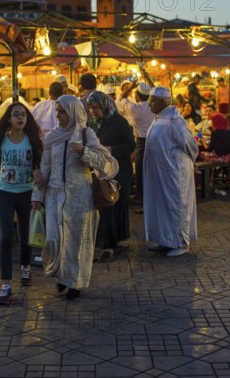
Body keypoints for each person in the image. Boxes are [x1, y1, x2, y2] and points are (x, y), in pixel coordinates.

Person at [31, 95, 118, 300]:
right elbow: (45, 168)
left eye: (63, 111)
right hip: (54, 196)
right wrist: (37, 196)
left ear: (73, 112)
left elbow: (106, 164)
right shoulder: (53, 136)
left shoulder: (86, 134)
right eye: (57, 111)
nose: (58, 115)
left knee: (75, 242)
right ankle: (61, 274)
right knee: (54, 239)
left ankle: (74, 282)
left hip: (80, 197)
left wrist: (84, 151)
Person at [0, 103, 43, 306]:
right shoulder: (2, 141)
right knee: (6, 238)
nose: (20, 117)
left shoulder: (31, 140)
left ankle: (25, 267)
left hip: (26, 194)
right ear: (9, 118)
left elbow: (38, 166)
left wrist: (38, 188)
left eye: (23, 114)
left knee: (25, 236)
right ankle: (6, 285)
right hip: (5, 194)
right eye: (16, 114)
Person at [143, 87, 199, 257]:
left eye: (152, 100)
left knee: (176, 206)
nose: (149, 104)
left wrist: (182, 165)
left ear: (162, 102)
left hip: (174, 175)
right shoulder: (160, 118)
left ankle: (182, 243)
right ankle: (165, 240)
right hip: (159, 175)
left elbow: (190, 145)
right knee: (161, 207)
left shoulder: (175, 120)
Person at [87, 91, 135, 262]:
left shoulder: (120, 122)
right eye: (91, 108)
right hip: (102, 171)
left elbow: (130, 145)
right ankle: (108, 242)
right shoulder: (93, 123)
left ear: (105, 106)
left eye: (96, 108)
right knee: (106, 206)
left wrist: (112, 150)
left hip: (120, 171)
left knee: (113, 205)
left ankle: (110, 245)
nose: (93, 111)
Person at [117, 81, 154, 212]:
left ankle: (144, 204)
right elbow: (158, 93)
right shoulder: (153, 106)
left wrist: (130, 87)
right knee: (152, 173)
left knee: (140, 174)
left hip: (141, 143)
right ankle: (151, 203)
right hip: (154, 141)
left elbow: (121, 98)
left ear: (137, 96)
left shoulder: (135, 109)